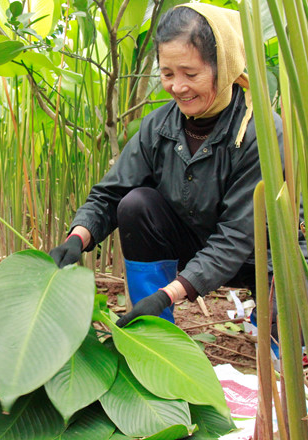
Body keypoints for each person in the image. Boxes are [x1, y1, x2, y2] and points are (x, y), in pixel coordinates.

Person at [50, 3, 277, 328]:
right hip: (198, 242)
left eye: (191, 74)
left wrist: (167, 293)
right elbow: (111, 194)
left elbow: (236, 237)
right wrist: (77, 239)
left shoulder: (262, 133)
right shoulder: (157, 127)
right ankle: (156, 328)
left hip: (264, 257)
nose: (177, 87)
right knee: (136, 204)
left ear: (223, 66)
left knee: (285, 347)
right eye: (167, 74)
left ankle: (268, 320)